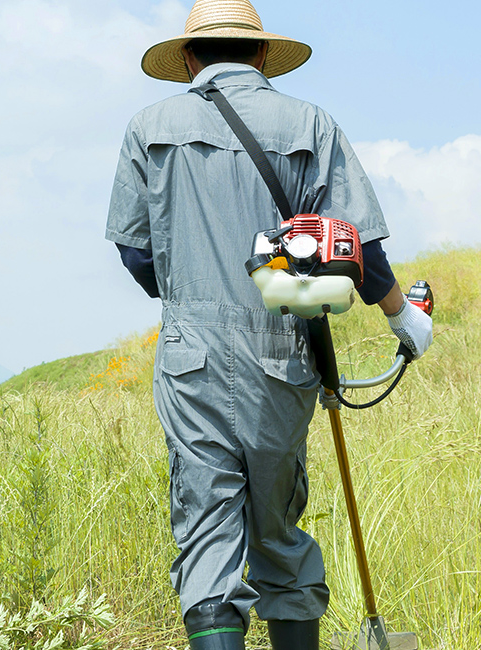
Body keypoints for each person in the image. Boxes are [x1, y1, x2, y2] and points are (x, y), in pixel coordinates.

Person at [102, 1, 433, 649]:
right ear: (259, 55)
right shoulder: (310, 123)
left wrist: (188, 297)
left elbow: (136, 252)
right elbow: (353, 248)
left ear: (190, 59)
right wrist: (406, 322)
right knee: (278, 531)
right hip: (282, 355)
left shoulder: (148, 126)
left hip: (189, 356)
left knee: (206, 531)